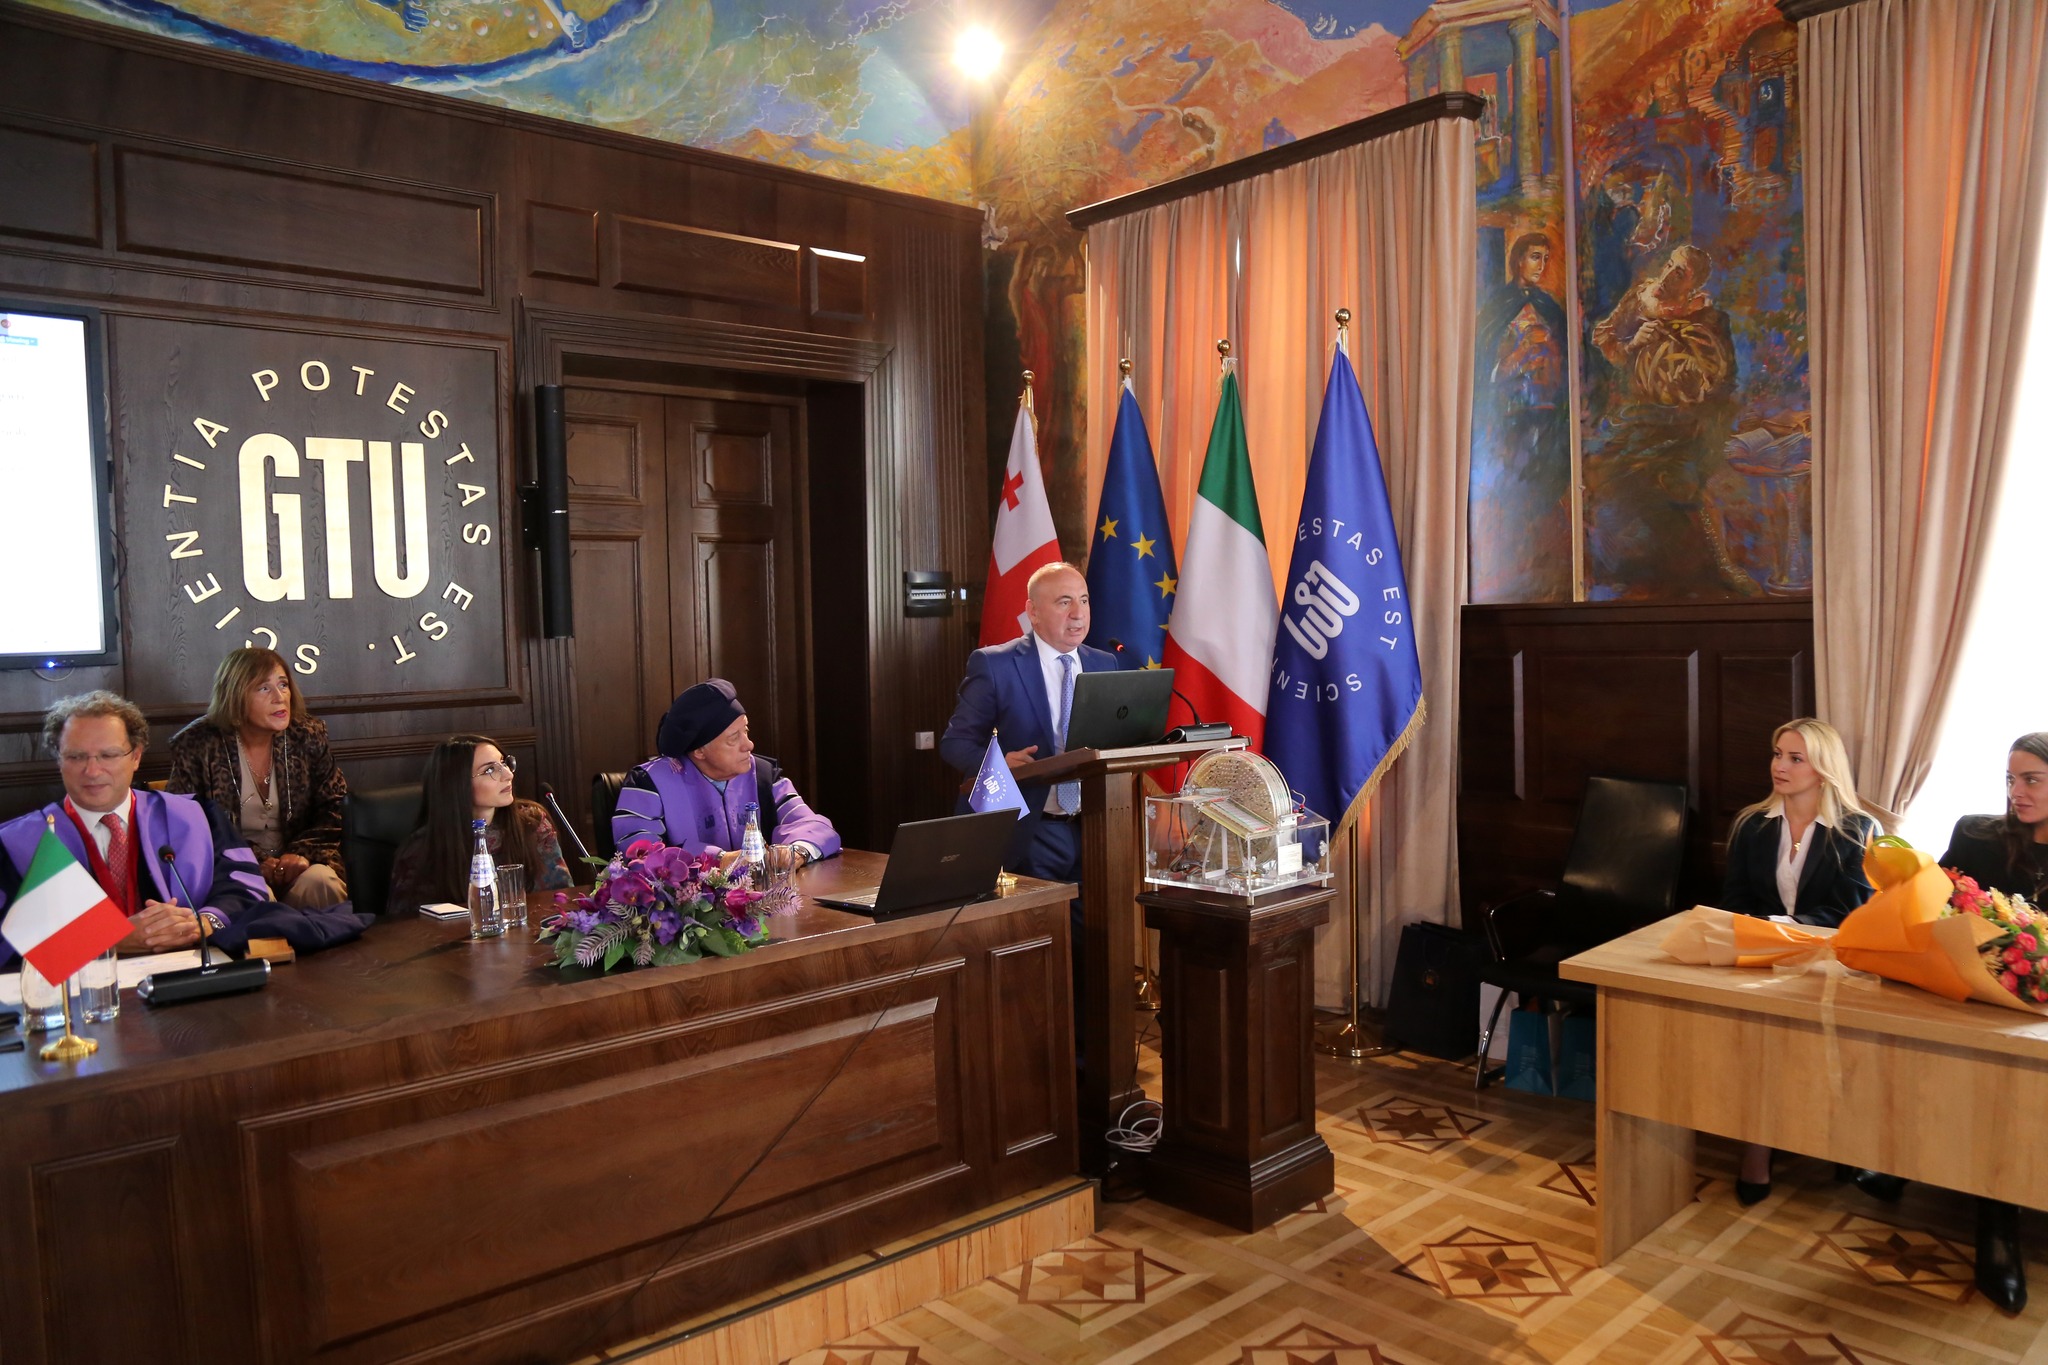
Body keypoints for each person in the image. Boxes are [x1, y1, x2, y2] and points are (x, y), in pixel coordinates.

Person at [940, 562, 1118, 1027]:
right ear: (1033, 612)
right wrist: (998, 763)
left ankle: (1087, 1053)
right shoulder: (996, 664)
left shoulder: (1105, 664)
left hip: (1097, 827)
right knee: (1040, 947)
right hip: (1033, 829)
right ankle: (1041, 1046)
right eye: (1064, 602)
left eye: (1083, 600)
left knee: (1091, 947)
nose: (1078, 613)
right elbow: (956, 743)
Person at [1909, 732, 2048, 1313]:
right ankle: (1995, 1226)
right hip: (1977, 1002)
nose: (2016, 792)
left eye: (2031, 779)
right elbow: (1935, 909)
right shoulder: (1978, 835)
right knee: (1995, 1075)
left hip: (2041, 1013)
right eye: (2010, 779)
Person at [1717, 718, 1877, 1207]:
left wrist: (1783, 930)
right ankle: (1757, 1148)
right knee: (1760, 1039)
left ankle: (1838, 1140)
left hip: (1830, 964)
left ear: (1823, 769)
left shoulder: (1856, 830)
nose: (1779, 766)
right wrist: (1764, 936)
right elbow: (1734, 901)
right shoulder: (1752, 825)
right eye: (1777, 754)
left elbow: (1849, 913)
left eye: (1794, 758)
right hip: (1762, 957)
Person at [0, 691, 273, 964]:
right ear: (59, 760)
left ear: (136, 757)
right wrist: (111, 940)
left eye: (108, 755)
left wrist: (201, 924)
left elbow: (245, 886)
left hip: (189, 971)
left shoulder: (196, 817)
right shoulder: (18, 844)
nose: (92, 771)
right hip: (81, 984)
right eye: (76, 756)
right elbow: (8, 940)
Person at [166, 647, 350, 909]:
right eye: (264, 688)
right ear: (235, 696)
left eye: (283, 685)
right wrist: (255, 860)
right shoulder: (197, 744)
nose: (279, 697)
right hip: (232, 866)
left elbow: (335, 805)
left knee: (322, 882)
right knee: (254, 893)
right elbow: (186, 825)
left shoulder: (307, 735)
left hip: (301, 861)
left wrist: (299, 853)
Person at [611, 679, 840, 863]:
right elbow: (640, 853)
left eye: (746, 731)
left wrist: (796, 853)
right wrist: (720, 859)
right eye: (734, 738)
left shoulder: (763, 775)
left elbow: (815, 826)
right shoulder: (648, 783)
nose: (749, 745)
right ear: (699, 751)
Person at [388, 736, 572, 910]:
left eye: (503, 763)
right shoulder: (422, 849)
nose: (508, 774)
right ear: (457, 785)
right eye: (489, 770)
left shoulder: (532, 823)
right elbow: (409, 923)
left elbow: (560, 897)